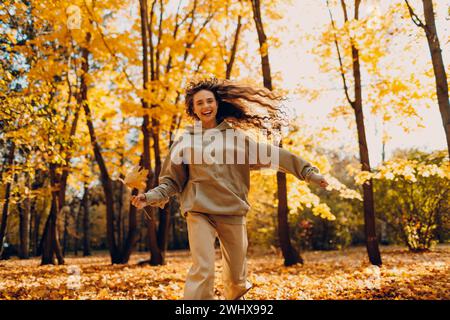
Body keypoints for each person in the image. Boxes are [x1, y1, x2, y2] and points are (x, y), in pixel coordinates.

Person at [131, 76, 329, 300]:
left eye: (209, 101)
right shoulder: (185, 140)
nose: (205, 106)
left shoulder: (236, 138)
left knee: (236, 279)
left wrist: (309, 172)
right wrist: (148, 197)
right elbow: (171, 181)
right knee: (202, 270)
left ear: (217, 104)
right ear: (192, 108)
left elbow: (275, 155)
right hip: (199, 211)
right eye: (199, 103)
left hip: (232, 211)